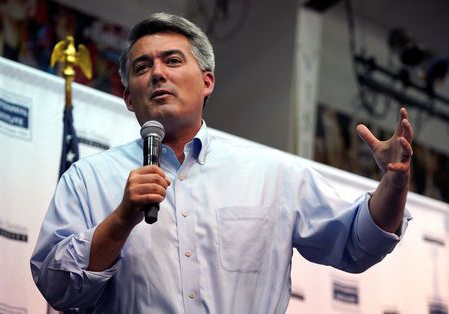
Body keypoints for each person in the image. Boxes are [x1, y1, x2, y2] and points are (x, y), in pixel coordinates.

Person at [31, 12, 414, 314]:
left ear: (208, 81)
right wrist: (121, 220)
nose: (158, 73)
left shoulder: (273, 173)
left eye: (172, 60)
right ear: (129, 98)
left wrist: (394, 186)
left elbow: (356, 242)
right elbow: (57, 287)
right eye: (142, 67)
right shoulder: (87, 179)